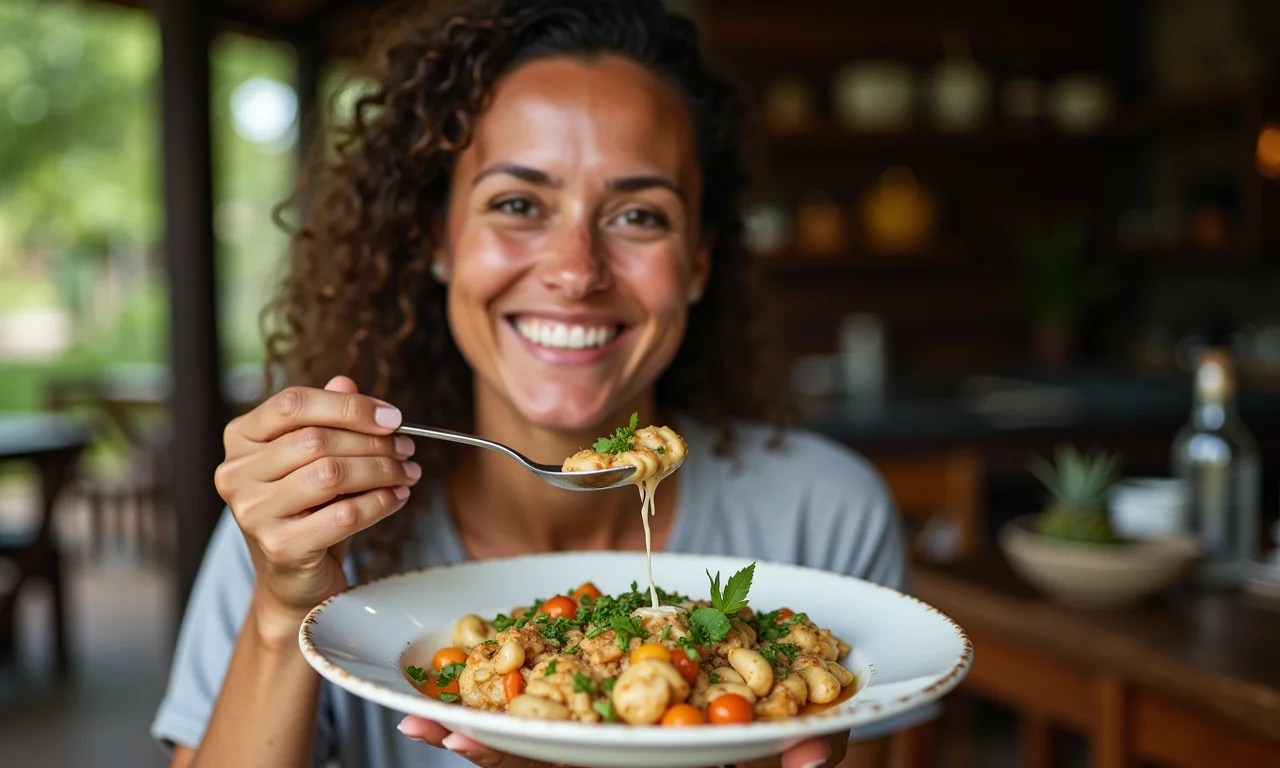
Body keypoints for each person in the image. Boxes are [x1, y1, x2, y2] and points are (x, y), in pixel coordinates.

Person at [151, 1, 909, 766]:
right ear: (437, 240)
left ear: (699, 262)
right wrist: (285, 614)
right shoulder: (314, 517)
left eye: (640, 215)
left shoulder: (827, 519)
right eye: (517, 204)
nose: (576, 272)